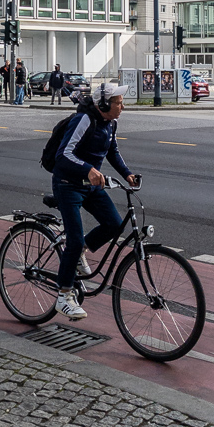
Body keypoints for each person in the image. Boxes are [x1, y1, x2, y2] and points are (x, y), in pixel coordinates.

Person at [52, 82, 137, 320]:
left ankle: (81, 251)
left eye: (121, 102)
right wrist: (88, 169)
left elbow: (112, 151)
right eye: (118, 103)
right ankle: (64, 296)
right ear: (102, 104)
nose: (122, 107)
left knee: (114, 224)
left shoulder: (111, 123)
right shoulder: (84, 120)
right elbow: (63, 155)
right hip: (68, 185)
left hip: (91, 185)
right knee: (75, 239)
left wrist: (127, 174)